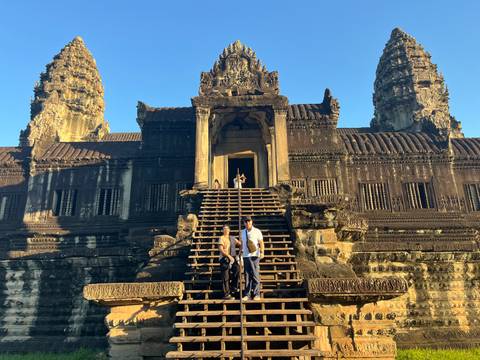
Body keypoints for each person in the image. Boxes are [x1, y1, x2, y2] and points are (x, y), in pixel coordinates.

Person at [241, 216, 264, 300]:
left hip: (254, 255)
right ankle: (247, 294)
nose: (247, 223)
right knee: (247, 275)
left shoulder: (257, 231)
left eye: (249, 221)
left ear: (251, 221)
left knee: (255, 274)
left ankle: (256, 293)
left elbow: (261, 242)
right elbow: (242, 244)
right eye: (245, 221)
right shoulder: (242, 232)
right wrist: (240, 253)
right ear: (243, 223)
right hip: (245, 256)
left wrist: (262, 252)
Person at [218, 225, 241, 300]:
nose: (226, 230)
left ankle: (234, 287)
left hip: (232, 258)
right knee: (225, 276)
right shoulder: (222, 238)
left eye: (227, 228)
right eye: (224, 229)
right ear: (222, 230)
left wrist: (241, 249)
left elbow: (239, 243)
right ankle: (226, 294)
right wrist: (228, 256)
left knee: (237, 269)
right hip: (224, 258)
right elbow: (221, 249)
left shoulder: (232, 238)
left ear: (229, 230)